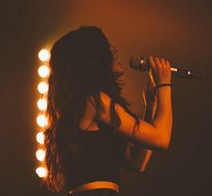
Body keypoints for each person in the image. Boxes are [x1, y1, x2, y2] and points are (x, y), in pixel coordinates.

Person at [43, 25, 173, 196]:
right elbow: (161, 139)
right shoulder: (92, 100)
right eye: (106, 47)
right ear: (91, 59)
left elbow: (136, 163)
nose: (114, 50)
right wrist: (164, 84)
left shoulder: (90, 103)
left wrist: (150, 106)